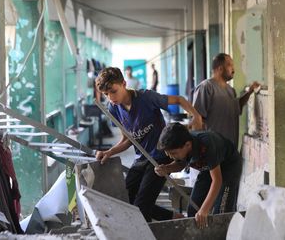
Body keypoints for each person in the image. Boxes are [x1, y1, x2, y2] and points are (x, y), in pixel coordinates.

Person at [94, 67, 203, 222]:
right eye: (106, 94)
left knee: (142, 206)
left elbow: (179, 100)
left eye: (113, 91)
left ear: (124, 83)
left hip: (161, 157)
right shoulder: (114, 108)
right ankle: (172, 217)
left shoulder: (146, 98)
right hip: (141, 157)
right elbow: (127, 140)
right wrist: (109, 152)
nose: (111, 97)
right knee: (126, 199)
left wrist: (196, 116)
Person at [155, 122, 242, 229]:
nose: (171, 156)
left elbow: (217, 181)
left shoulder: (207, 144)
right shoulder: (184, 145)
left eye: (173, 153)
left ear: (187, 145)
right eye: (167, 153)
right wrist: (166, 169)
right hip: (207, 168)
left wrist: (204, 210)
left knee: (221, 212)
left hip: (228, 167)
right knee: (193, 211)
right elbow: (181, 164)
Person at [193, 53, 260, 148]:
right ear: (220, 69)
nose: (233, 69)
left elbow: (237, 107)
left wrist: (250, 92)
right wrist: (200, 148)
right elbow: (197, 119)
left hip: (230, 149)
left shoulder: (230, 90)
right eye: (229, 65)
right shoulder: (206, 87)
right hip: (213, 148)